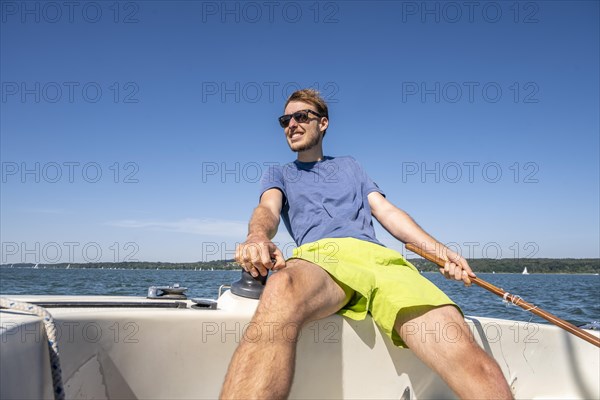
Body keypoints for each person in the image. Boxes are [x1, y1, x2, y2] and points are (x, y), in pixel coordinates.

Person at [220, 89, 513, 399]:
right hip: (322, 258)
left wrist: (441, 253)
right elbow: (267, 209)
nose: (291, 124)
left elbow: (387, 212)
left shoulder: (351, 167)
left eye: (301, 116)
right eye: (285, 120)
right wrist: (257, 236)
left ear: (323, 123)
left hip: (381, 262)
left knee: (465, 352)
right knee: (281, 288)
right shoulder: (278, 173)